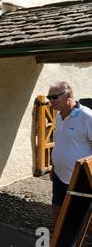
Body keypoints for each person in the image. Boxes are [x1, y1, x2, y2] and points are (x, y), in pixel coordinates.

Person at [48, 82, 92, 227]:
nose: (51, 101)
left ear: (68, 95)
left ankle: (76, 245)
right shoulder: (59, 117)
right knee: (57, 210)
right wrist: (54, 167)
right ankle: (57, 246)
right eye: (49, 97)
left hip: (79, 179)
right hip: (59, 176)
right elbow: (60, 144)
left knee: (80, 216)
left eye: (54, 97)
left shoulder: (87, 117)